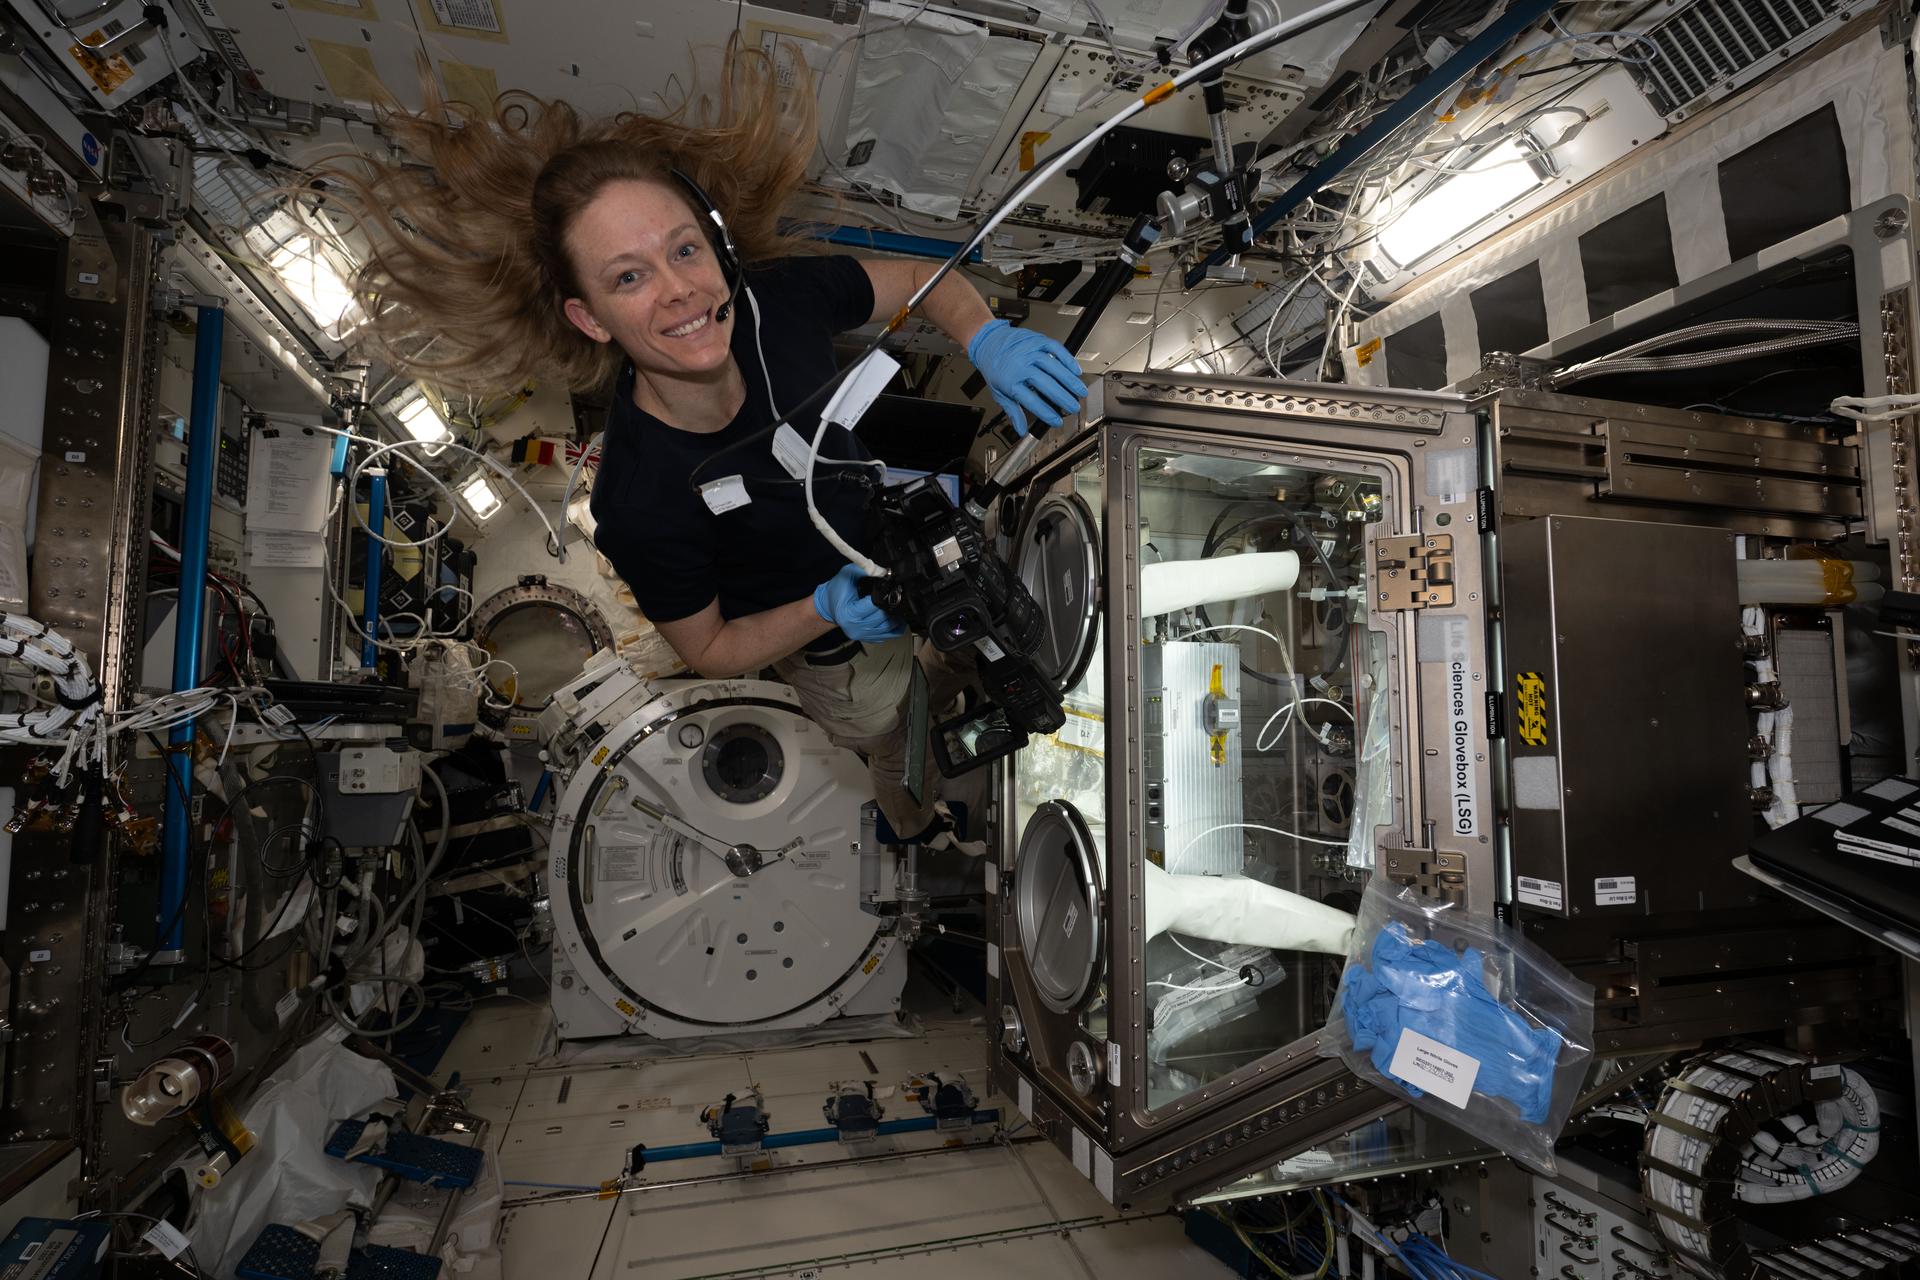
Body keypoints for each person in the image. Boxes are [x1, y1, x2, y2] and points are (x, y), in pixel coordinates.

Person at [330, 41, 1088, 848]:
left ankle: (957, 679)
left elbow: (911, 284)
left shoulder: (774, 304)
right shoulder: (639, 498)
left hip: (905, 547)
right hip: (831, 646)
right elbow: (714, 648)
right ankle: (919, 827)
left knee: (1002, 647)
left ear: (718, 249)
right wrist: (822, 606)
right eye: (628, 277)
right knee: (898, 740)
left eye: (685, 250)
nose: (680, 290)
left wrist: (985, 336)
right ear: (590, 317)